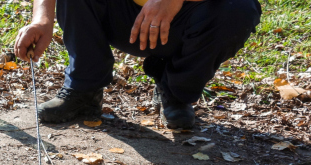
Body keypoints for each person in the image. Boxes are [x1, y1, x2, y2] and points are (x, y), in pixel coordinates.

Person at [14, 0, 261, 129]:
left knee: (239, 7)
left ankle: (174, 90)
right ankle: (85, 87)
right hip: (120, 18)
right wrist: (41, 19)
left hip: (186, 19)